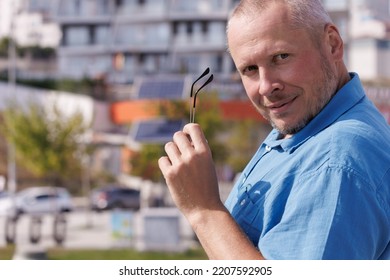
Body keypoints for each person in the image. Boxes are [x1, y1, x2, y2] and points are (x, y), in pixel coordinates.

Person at [158, 0, 390, 260]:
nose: (266, 86)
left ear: (332, 44)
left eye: (281, 57)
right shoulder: (303, 125)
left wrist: (204, 210)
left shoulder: (336, 161)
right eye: (250, 69)